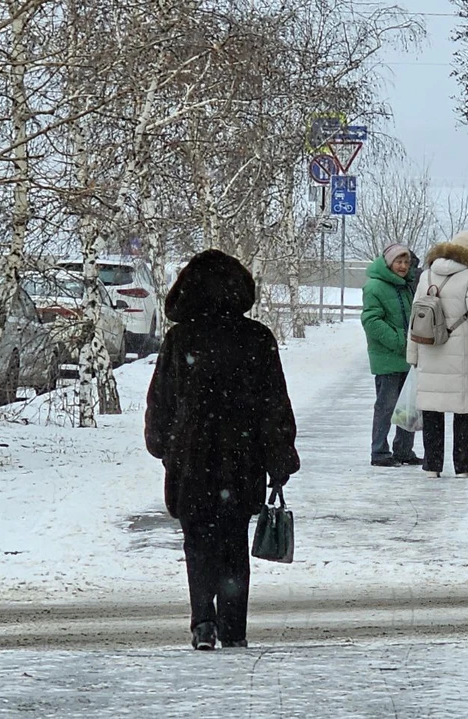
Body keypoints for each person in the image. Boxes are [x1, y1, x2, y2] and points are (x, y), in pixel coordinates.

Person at [145, 249, 299, 651]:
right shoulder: (256, 338)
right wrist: (279, 457)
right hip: (241, 459)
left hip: (190, 458)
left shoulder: (180, 339)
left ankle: (203, 621)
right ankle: (233, 627)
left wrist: (162, 443)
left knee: (197, 541)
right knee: (233, 542)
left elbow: (161, 399)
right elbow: (274, 405)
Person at [406, 230, 468, 478]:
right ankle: (463, 466)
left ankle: (432, 466)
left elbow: (415, 318)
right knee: (464, 413)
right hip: (460, 354)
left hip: (430, 349)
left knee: (432, 412)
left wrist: (413, 355)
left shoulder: (427, 274)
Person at [361, 242, 423, 468]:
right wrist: (399, 341)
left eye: (406, 262)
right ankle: (379, 451)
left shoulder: (407, 286)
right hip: (388, 357)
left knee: (409, 405)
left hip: (408, 356)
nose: (404, 266)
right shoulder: (375, 287)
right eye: (399, 261)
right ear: (388, 263)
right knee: (386, 406)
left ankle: (404, 450)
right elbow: (371, 321)